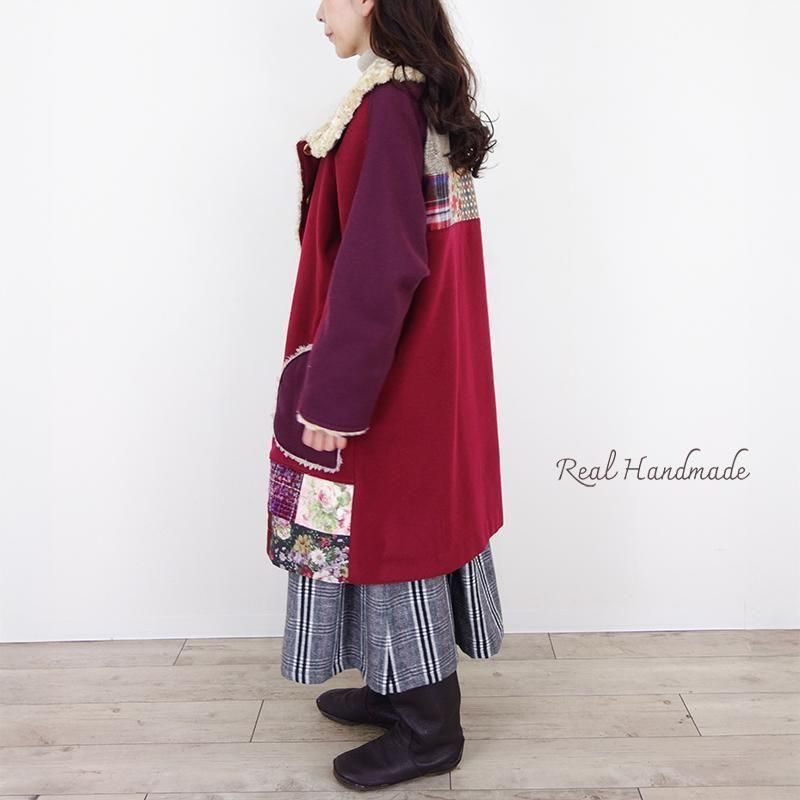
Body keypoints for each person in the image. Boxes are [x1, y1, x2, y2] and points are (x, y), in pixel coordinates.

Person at [265, 0, 505, 789]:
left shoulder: (387, 110)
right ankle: (395, 687)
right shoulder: (412, 98)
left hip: (385, 382)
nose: (317, 13)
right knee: (384, 534)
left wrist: (335, 399)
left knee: (394, 541)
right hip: (418, 369)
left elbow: (380, 265)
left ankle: (430, 729)